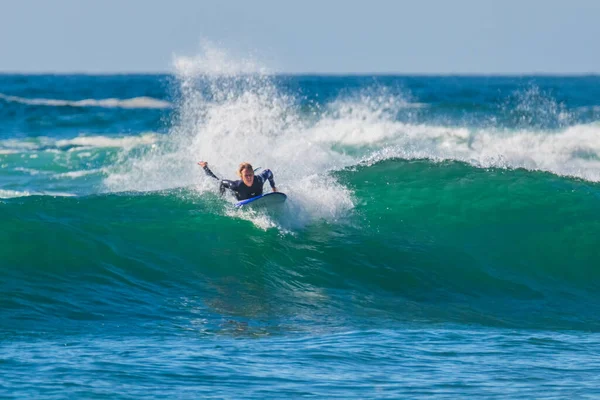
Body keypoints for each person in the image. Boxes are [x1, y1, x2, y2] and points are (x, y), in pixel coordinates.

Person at [198, 161, 277, 201]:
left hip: (254, 195)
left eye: (250, 175)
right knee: (216, 180)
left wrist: (273, 187)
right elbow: (222, 182)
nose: (249, 178)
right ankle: (204, 166)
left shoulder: (259, 180)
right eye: (246, 176)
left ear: (253, 174)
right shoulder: (236, 186)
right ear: (241, 177)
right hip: (239, 195)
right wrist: (222, 196)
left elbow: (268, 172)